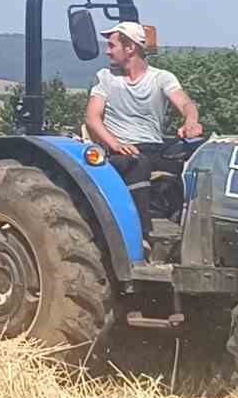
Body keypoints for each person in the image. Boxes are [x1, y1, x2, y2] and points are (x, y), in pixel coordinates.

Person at [84, 21, 204, 239]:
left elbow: (186, 104)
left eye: (112, 46)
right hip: (119, 151)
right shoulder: (106, 78)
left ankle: (191, 228)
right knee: (138, 163)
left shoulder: (161, 78)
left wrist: (191, 121)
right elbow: (92, 118)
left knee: (201, 153)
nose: (107, 51)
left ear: (130, 48)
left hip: (153, 147)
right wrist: (116, 144)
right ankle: (142, 234)